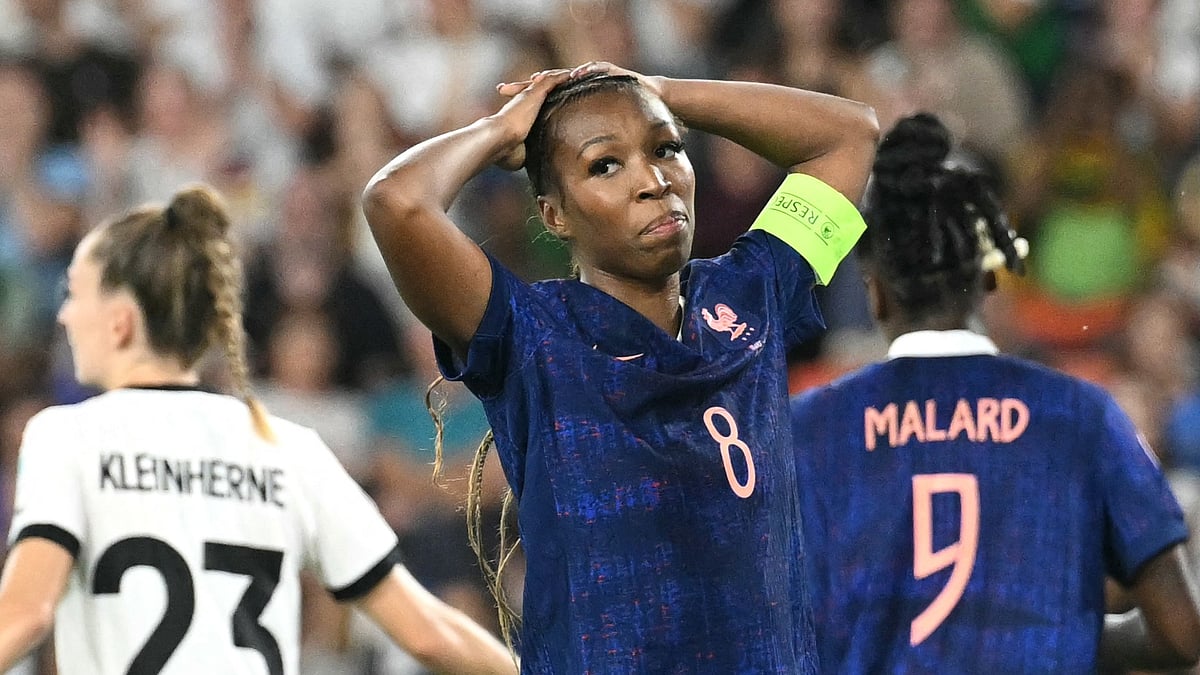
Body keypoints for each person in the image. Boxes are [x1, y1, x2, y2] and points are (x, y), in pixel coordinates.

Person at [362, 61, 878, 673]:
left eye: (666, 149)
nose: (653, 181)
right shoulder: (530, 334)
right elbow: (396, 201)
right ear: (553, 215)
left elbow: (848, 134)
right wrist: (502, 131)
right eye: (605, 165)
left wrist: (660, 91)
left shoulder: (752, 293)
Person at [0, 185, 516, 675]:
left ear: (122, 320)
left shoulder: (66, 437)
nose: (65, 316)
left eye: (76, 294)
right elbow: (427, 632)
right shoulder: (290, 448)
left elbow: (27, 613)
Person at [791, 113, 1200, 673]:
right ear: (987, 277)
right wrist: (1061, 632)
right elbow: (1182, 633)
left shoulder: (809, 428)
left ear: (875, 292)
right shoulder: (1081, 416)